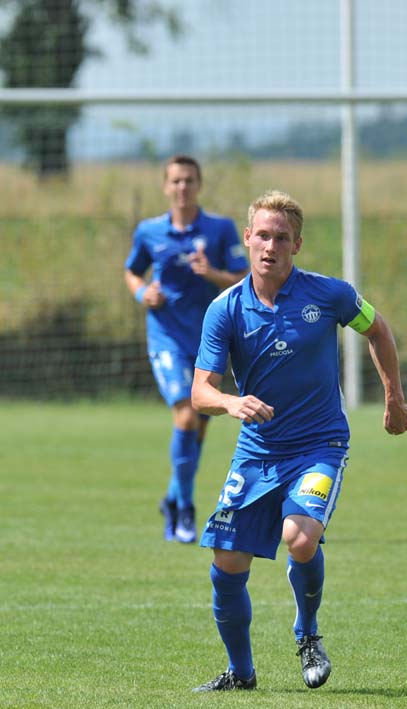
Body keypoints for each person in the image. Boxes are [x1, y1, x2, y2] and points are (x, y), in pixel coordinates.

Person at [191, 189, 407, 691]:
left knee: (299, 536)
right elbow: (200, 391)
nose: (270, 246)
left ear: (297, 245)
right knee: (226, 561)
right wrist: (230, 402)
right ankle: (240, 673)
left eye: (282, 238)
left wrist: (394, 398)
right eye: (263, 236)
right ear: (247, 239)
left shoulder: (330, 295)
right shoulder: (225, 310)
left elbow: (378, 330)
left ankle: (307, 634)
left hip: (320, 447)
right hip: (257, 453)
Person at [125, 155, 248, 543]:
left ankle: (172, 498)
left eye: (189, 180)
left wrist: (212, 274)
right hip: (166, 337)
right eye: (176, 181)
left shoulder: (219, 229)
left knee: (199, 427)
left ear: (199, 185)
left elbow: (244, 277)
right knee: (186, 415)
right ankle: (185, 508)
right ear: (166, 186)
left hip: (209, 340)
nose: (183, 187)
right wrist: (143, 293)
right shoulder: (149, 231)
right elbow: (132, 272)